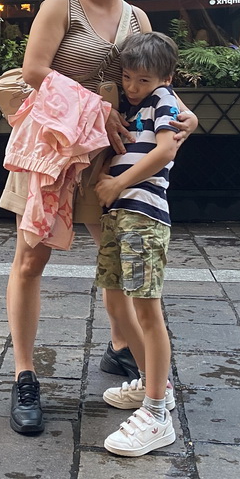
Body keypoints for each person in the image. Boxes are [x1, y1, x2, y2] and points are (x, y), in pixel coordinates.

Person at [0, 0, 197, 435]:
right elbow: (33, 71)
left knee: (115, 259)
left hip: (111, 162)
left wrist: (183, 115)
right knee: (30, 260)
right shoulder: (60, 4)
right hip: (55, 152)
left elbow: (156, 88)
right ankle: (24, 375)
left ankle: (122, 350)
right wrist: (98, 108)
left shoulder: (138, 20)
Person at [94, 31, 181, 457]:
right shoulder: (143, 104)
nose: (131, 87)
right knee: (115, 304)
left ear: (165, 77)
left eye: (142, 80)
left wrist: (116, 184)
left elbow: (165, 150)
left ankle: (157, 412)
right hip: (120, 216)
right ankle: (152, 384)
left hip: (143, 216)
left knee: (148, 310)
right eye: (127, 77)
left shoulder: (164, 101)